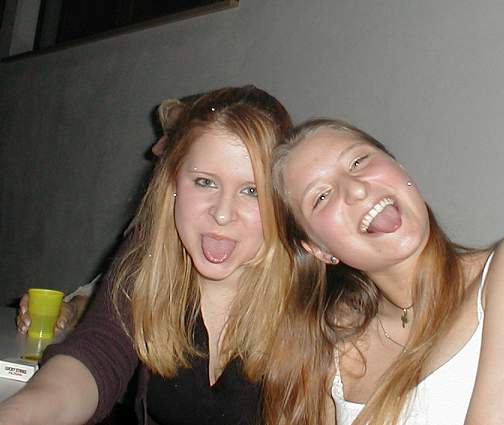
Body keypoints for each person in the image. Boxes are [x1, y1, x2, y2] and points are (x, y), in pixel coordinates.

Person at [266, 118, 504, 425]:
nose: (356, 189)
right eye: (321, 196)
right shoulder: (335, 357)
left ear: (398, 167)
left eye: (359, 161)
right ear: (319, 249)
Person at [0, 85, 293, 425]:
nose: (223, 213)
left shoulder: (312, 290)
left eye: (251, 190)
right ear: (172, 182)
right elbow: (96, 355)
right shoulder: (149, 257)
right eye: (205, 182)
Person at [15, 99, 183, 335]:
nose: (156, 148)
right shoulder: (150, 222)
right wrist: (69, 311)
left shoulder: (214, 234)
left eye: (174, 135)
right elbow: (113, 293)